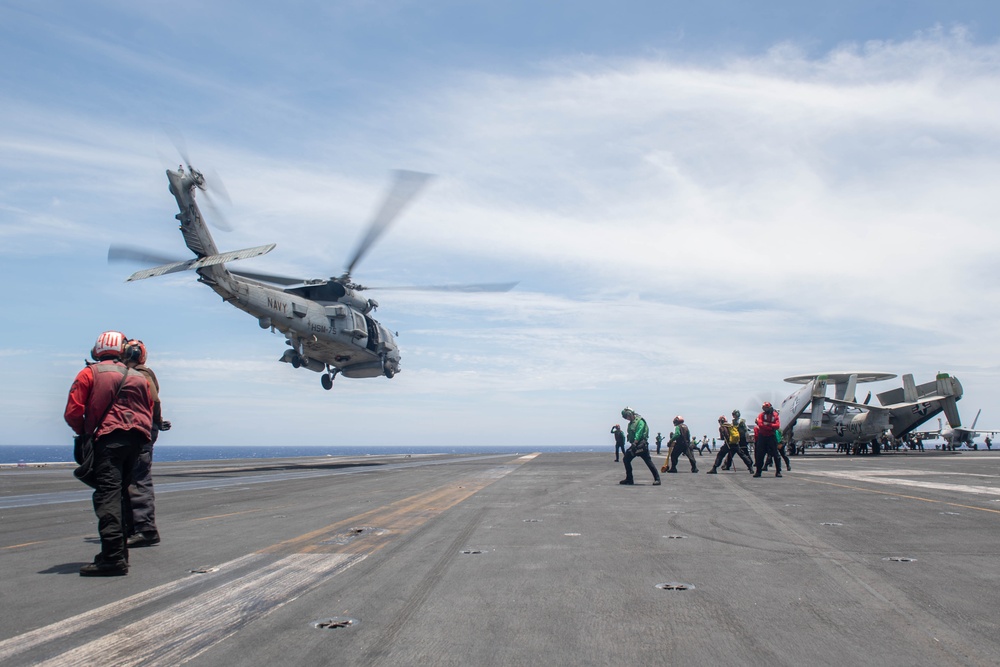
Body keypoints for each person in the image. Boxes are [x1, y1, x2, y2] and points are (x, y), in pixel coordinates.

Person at [64, 331, 154, 576]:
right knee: (124, 494)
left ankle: (113, 558)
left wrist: (85, 432)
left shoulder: (89, 373)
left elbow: (73, 411)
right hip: (136, 442)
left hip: (107, 441)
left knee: (107, 497)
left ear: (99, 349)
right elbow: (149, 409)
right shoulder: (139, 377)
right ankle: (119, 553)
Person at [123, 340, 171, 548]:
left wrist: (157, 422)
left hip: (140, 429)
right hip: (140, 428)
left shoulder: (140, 374)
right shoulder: (138, 373)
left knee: (138, 478)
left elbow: (154, 401)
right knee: (132, 478)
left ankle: (146, 529)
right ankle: (134, 526)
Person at [620, 407, 660, 485]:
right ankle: (629, 479)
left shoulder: (640, 421)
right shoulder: (631, 423)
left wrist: (635, 442)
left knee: (648, 461)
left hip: (640, 445)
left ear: (630, 414)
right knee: (626, 459)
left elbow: (639, 432)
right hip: (635, 444)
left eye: (626, 416)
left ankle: (657, 479)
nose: (626, 418)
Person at [753, 402, 782, 478]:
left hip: (771, 436)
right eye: (764, 408)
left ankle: (778, 471)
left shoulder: (775, 415)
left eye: (766, 408)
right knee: (760, 455)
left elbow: (777, 426)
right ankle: (758, 471)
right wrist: (771, 427)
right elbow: (761, 425)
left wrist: (768, 425)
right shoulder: (761, 415)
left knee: (776, 454)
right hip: (762, 436)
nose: (765, 410)